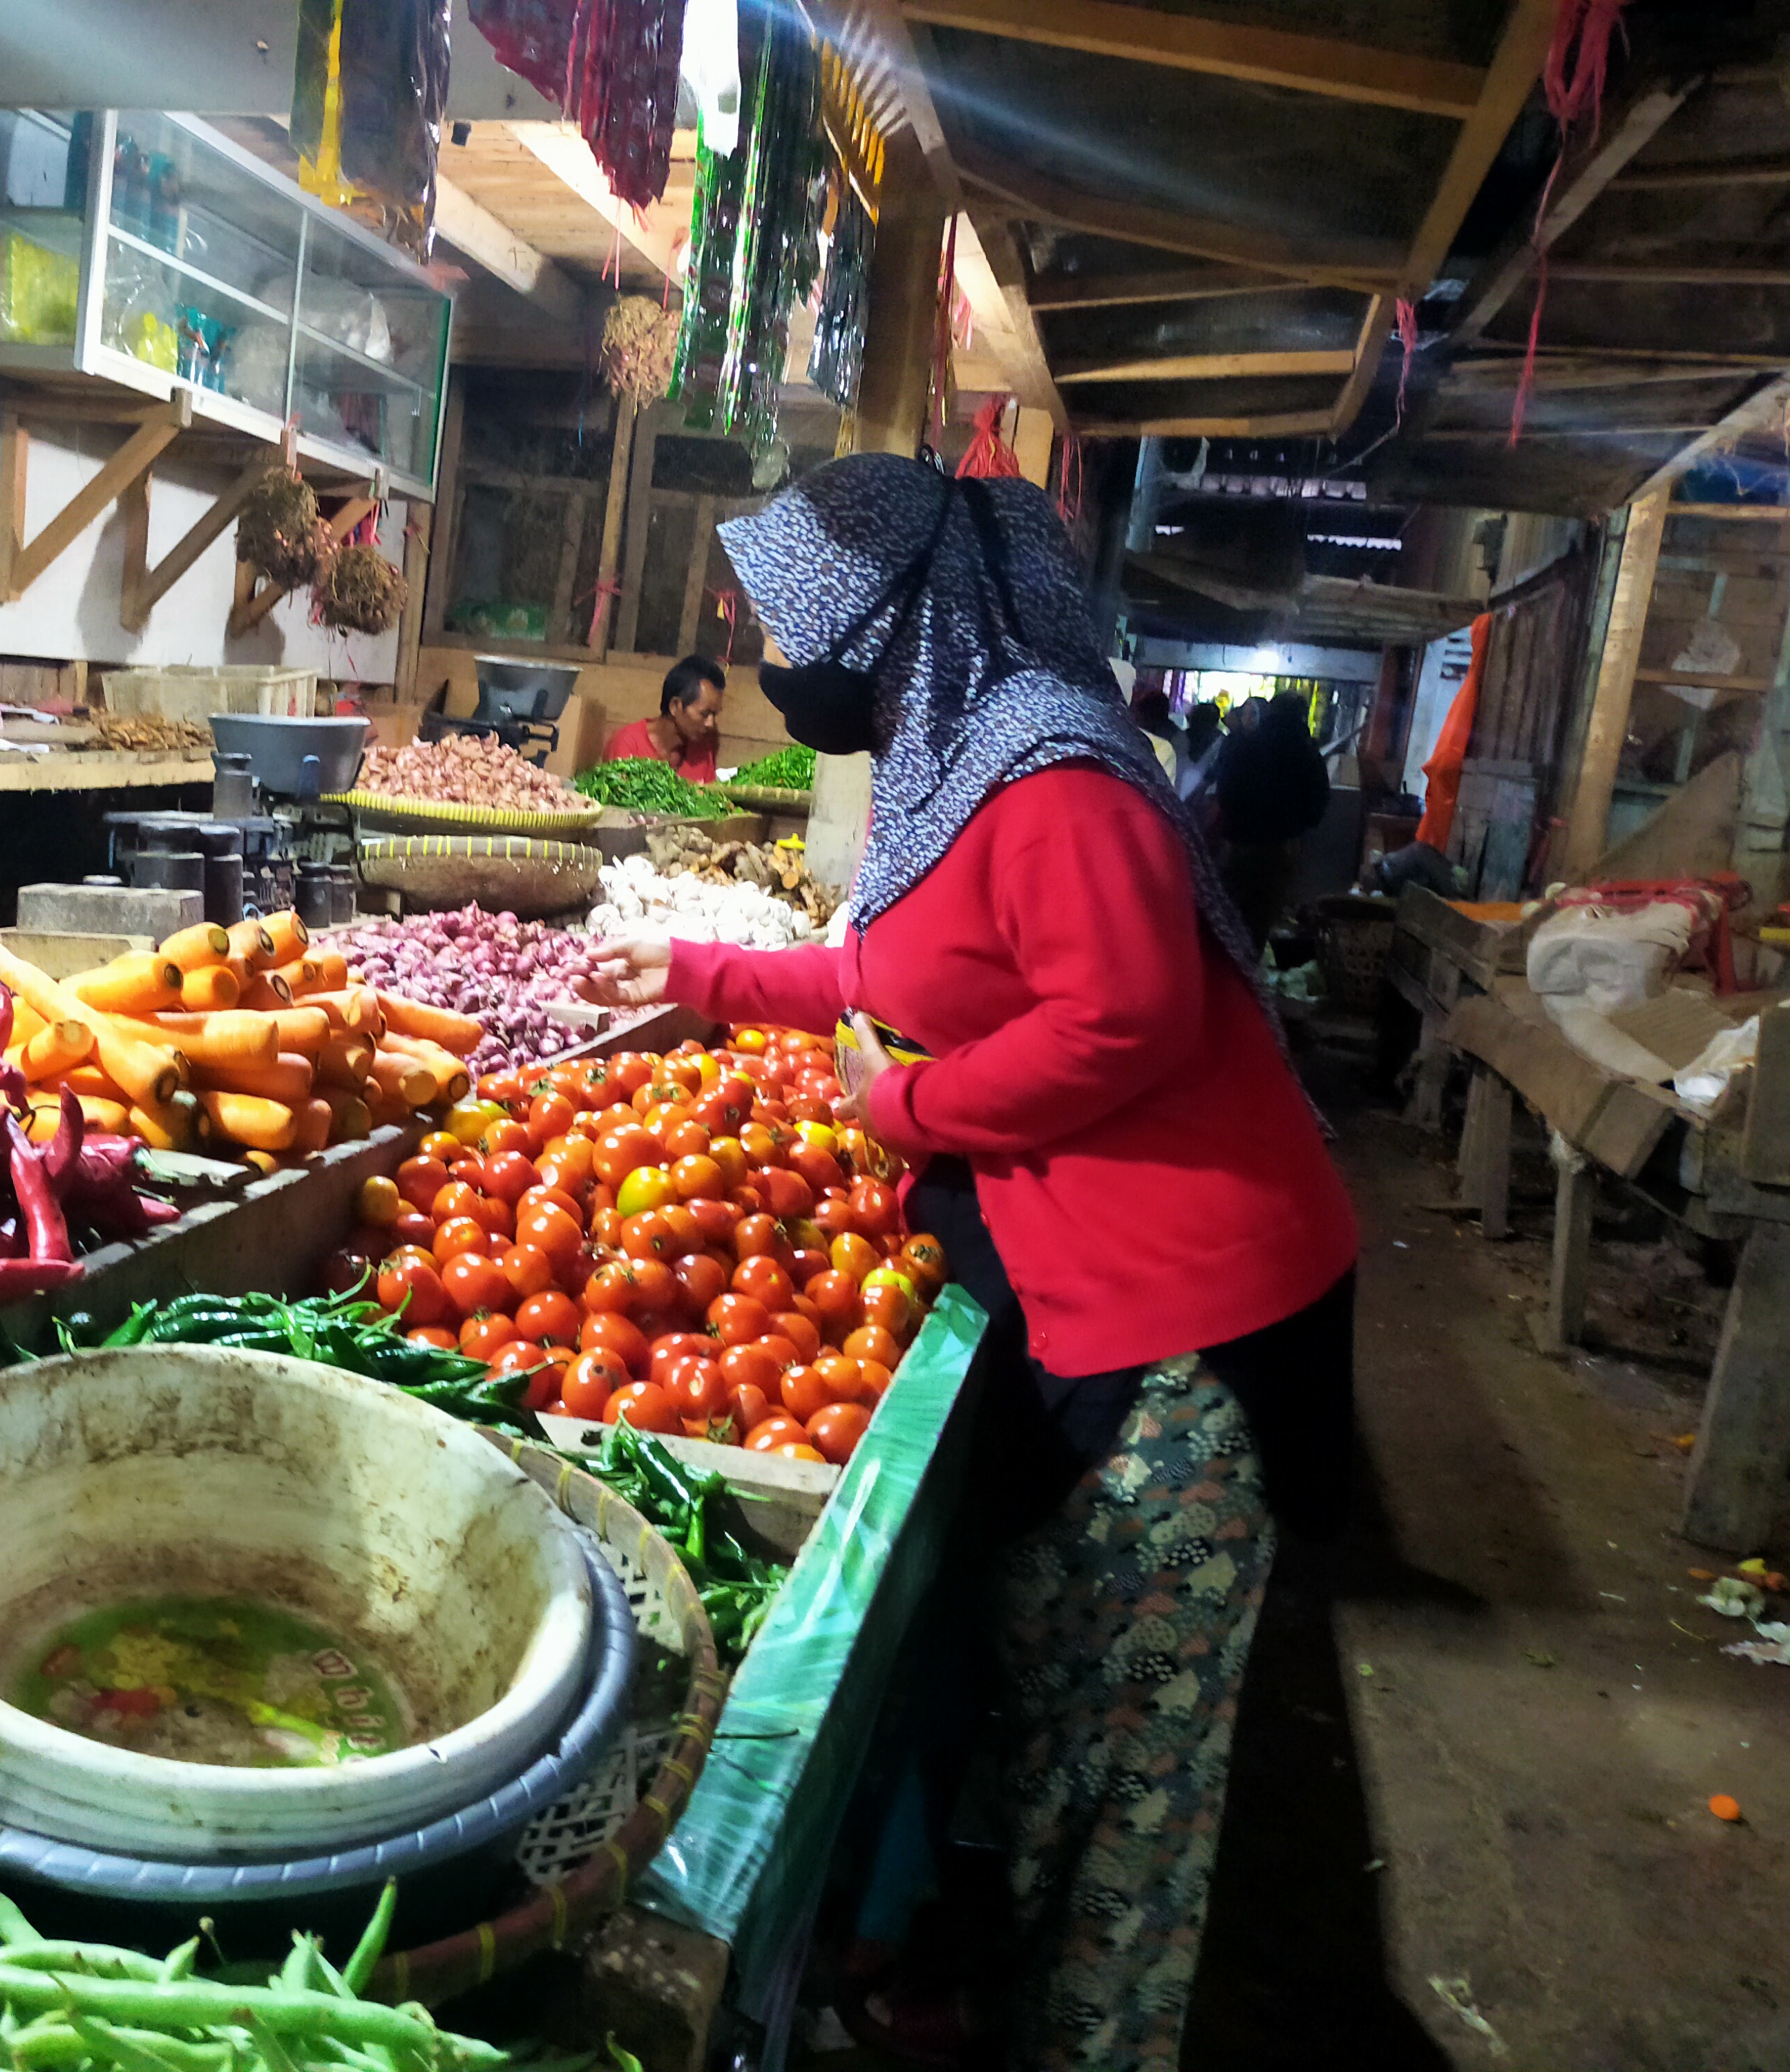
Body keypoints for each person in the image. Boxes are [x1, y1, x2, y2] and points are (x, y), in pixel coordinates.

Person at [582, 456, 1358, 2071]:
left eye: (787, 627)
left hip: (1191, 1329)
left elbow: (1125, 1016)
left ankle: (1093, 2037)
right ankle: (996, 1982)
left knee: (1130, 1736)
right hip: (1081, 1290)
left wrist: (908, 1100)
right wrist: (706, 973)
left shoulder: (1052, 769)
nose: (774, 661)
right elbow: (890, 962)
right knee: (1049, 1686)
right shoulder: (957, 755)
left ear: (886, 618)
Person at [1212, 689, 1333, 948]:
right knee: (1261, 919)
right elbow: (1319, 800)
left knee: (1229, 915)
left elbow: (1226, 789)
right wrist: (1296, 827)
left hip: (1239, 844)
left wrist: (1233, 826)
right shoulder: (1308, 753)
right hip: (1281, 847)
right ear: (1302, 715)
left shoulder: (1247, 744)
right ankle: (1250, 975)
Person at [598, 653, 724, 780]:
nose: (710, 723)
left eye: (714, 715)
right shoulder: (628, 745)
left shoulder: (706, 746)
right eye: (704, 714)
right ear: (675, 706)